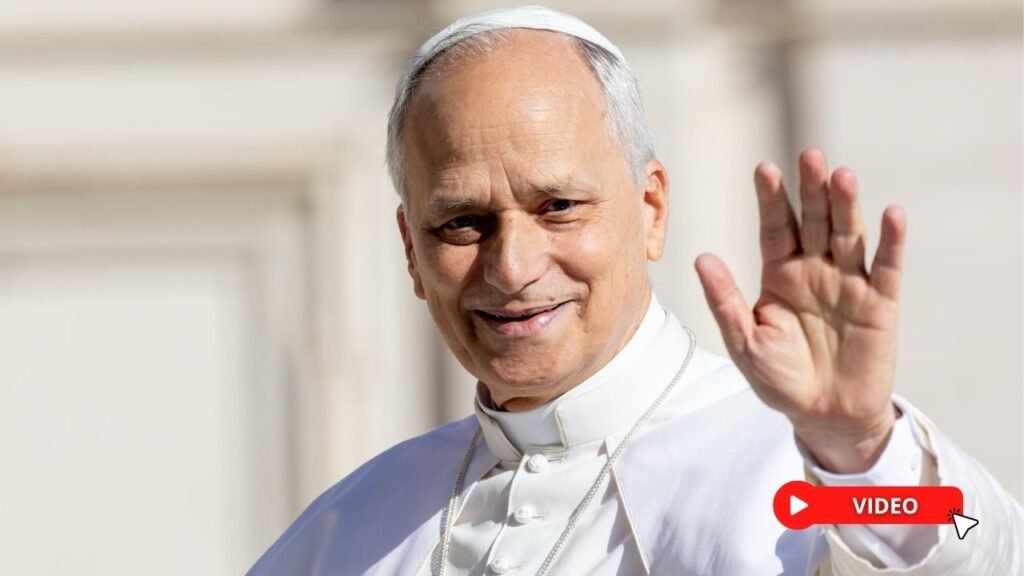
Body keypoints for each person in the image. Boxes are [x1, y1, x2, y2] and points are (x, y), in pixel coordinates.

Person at [247, 6, 1023, 575]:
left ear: (649, 209)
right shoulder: (349, 528)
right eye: (461, 223)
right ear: (411, 252)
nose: (512, 267)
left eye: (557, 207)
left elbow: (966, 547)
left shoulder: (802, 467)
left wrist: (857, 447)